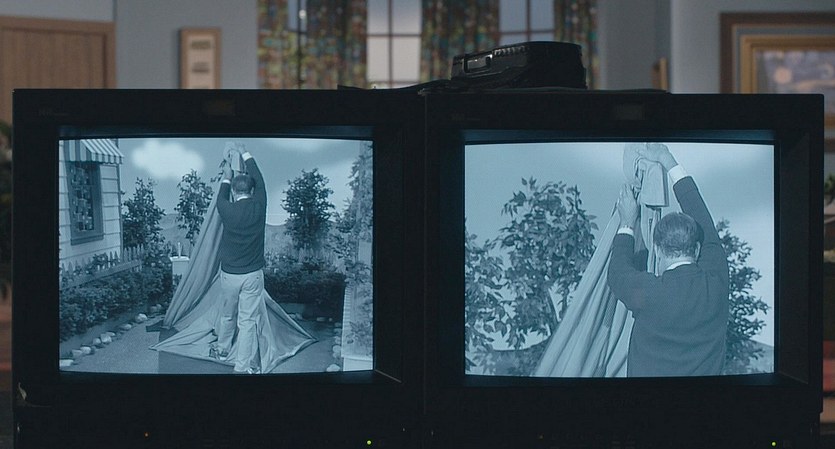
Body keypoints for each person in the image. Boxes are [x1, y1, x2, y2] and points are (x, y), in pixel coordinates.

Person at [607, 143, 729, 377]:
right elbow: (702, 217)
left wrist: (627, 222)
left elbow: (617, 272)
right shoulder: (716, 281)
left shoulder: (647, 292)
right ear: (696, 248)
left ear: (657, 249)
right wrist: (667, 159)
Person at [212, 147, 269, 374]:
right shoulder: (260, 205)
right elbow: (260, 178)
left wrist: (227, 175)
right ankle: (242, 367)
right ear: (252, 191)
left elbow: (222, 194)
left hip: (229, 275)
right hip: (253, 275)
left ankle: (222, 350)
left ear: (235, 192)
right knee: (247, 322)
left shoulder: (225, 208)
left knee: (227, 315)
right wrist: (245, 153)